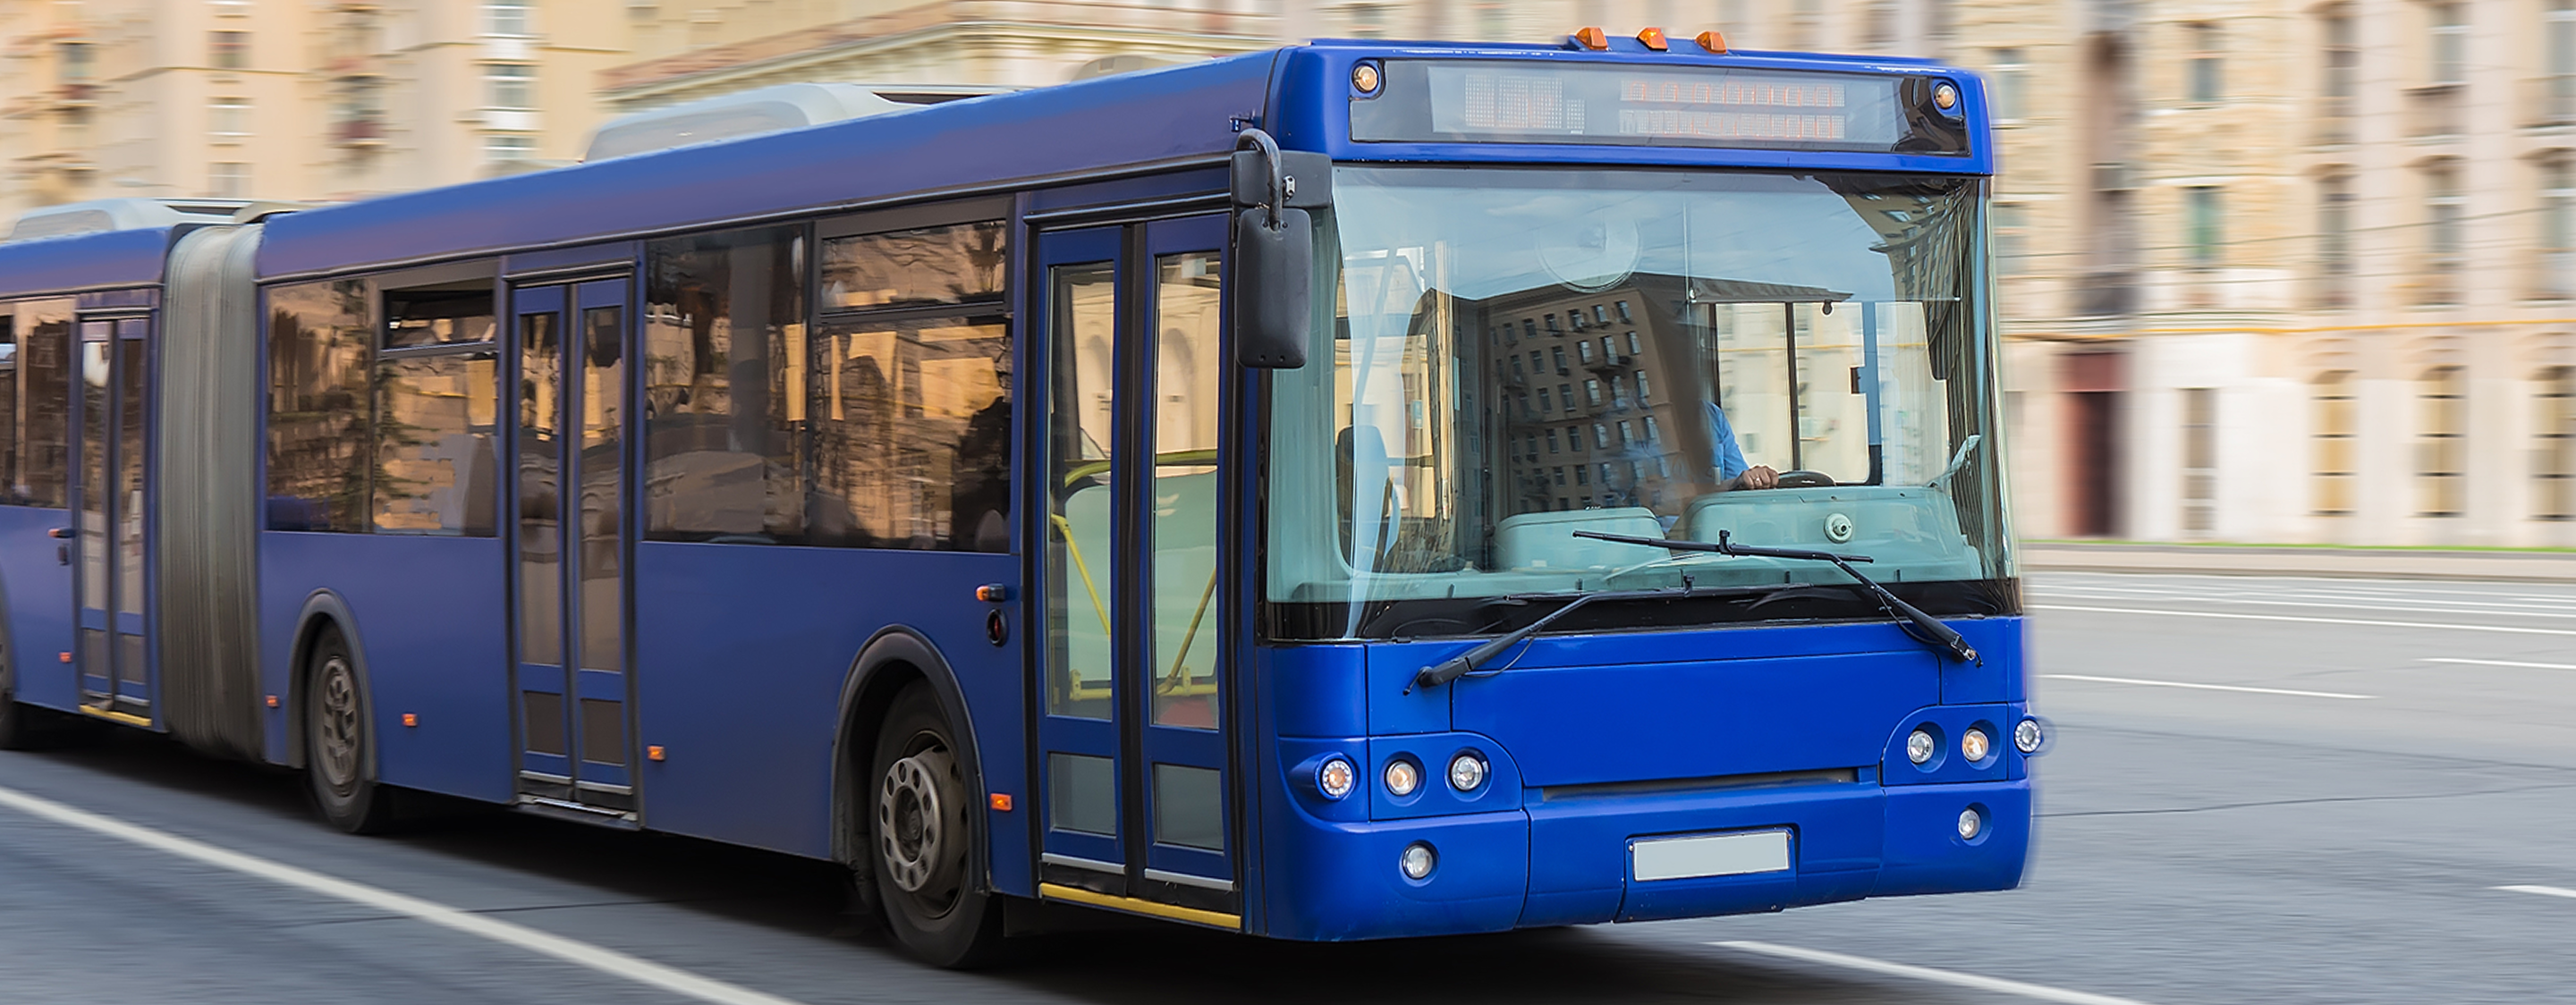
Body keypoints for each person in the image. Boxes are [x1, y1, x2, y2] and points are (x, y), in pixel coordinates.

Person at [1706, 401, 1778, 491]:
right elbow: (1682, 493)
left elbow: (1739, 477)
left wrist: (1755, 478)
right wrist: (1730, 484)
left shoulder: (1712, 414)